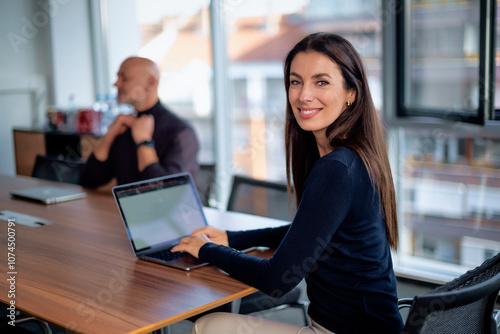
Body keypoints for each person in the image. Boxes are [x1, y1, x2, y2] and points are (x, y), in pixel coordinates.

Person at [172, 32, 404, 334]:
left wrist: (206, 250)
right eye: (296, 82)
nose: (304, 95)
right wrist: (231, 237)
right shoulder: (357, 155)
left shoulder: (336, 168)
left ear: (352, 93)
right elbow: (310, 233)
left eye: (321, 82)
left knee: (209, 326)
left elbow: (277, 280)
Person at [79, 56, 199, 188]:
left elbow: (166, 192)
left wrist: (144, 142)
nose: (116, 84)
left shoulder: (181, 132)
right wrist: (109, 136)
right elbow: (88, 181)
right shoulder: (124, 126)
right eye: (117, 77)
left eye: (124, 78)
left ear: (151, 82)